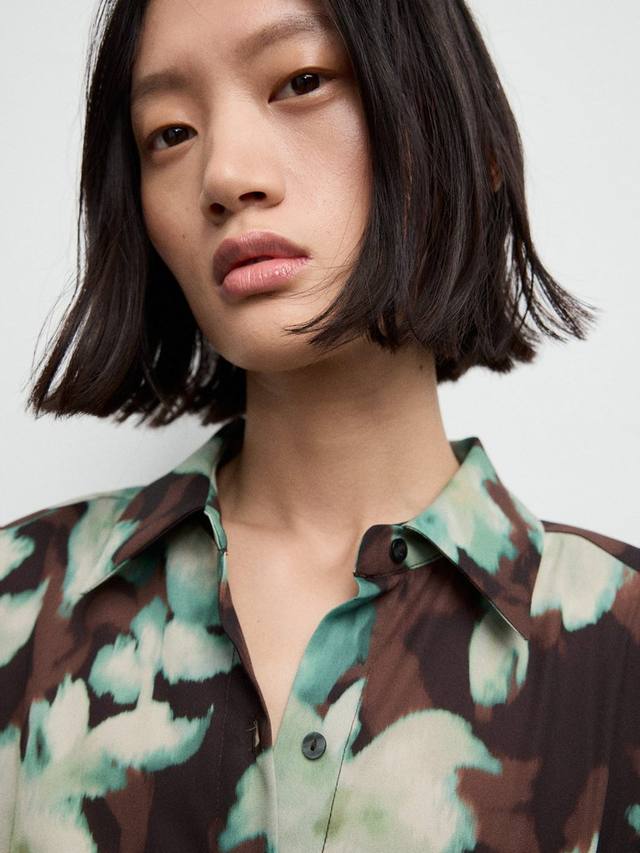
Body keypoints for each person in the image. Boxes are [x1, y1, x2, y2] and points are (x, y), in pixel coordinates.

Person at [1, 0, 637, 850]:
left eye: (302, 81)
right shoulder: (15, 606)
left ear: (464, 137)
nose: (226, 175)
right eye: (170, 133)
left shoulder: (624, 642)